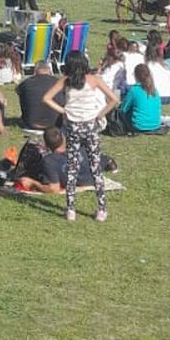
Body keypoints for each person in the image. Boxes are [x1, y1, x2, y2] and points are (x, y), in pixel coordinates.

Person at [42, 53, 118, 224]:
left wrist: (64, 111)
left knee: (72, 167)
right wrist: (99, 114)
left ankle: (71, 210)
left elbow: (46, 98)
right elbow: (114, 99)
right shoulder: (94, 79)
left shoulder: (65, 81)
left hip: (73, 127)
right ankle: (102, 210)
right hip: (90, 127)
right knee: (95, 167)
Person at [113, 62, 164, 133]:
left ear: (136, 76)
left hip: (139, 126)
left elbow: (123, 109)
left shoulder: (134, 90)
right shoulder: (155, 90)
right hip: (155, 124)